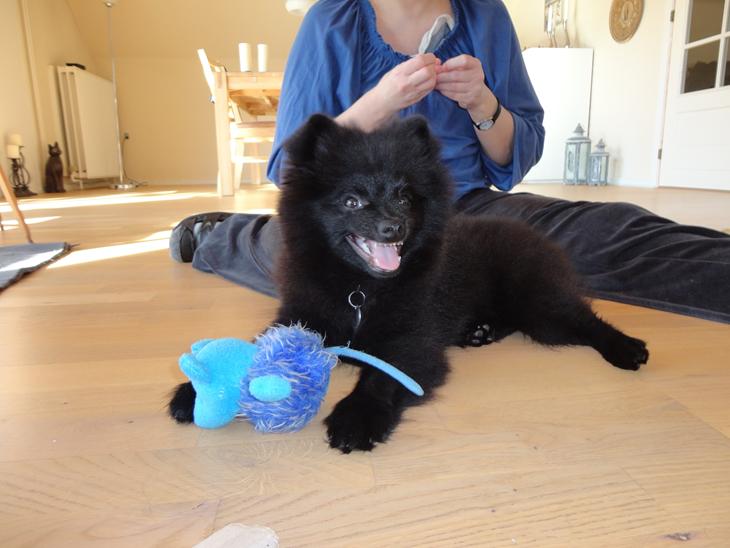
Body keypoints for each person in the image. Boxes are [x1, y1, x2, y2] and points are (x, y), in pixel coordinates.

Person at [170, 0, 730, 324]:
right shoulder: (330, 21)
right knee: (307, 271)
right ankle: (225, 235)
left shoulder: (486, 17)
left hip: (465, 210)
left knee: (601, 233)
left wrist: (483, 103)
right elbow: (291, 169)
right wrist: (381, 102)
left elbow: (516, 157)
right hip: (353, 223)